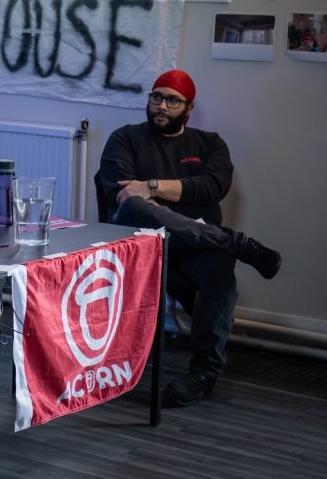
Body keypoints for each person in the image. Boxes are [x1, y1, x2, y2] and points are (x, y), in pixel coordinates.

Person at [98, 69, 282, 407]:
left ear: (188, 108)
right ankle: (234, 242)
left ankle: (203, 373)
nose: (162, 106)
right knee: (133, 207)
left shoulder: (209, 143)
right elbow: (124, 195)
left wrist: (152, 186)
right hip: (142, 246)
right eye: (156, 97)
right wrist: (166, 197)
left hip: (196, 250)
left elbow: (212, 186)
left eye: (172, 100)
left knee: (219, 268)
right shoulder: (125, 138)